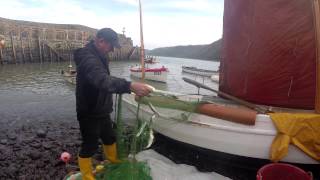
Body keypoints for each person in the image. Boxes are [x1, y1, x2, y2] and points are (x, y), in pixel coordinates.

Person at [74, 28, 151, 180]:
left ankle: (114, 160)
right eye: (111, 46)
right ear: (101, 41)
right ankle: (87, 176)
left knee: (110, 137)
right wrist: (130, 86)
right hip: (89, 110)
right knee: (90, 145)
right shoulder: (87, 58)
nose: (112, 50)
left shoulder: (101, 54)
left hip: (102, 109)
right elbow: (101, 80)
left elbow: (105, 80)